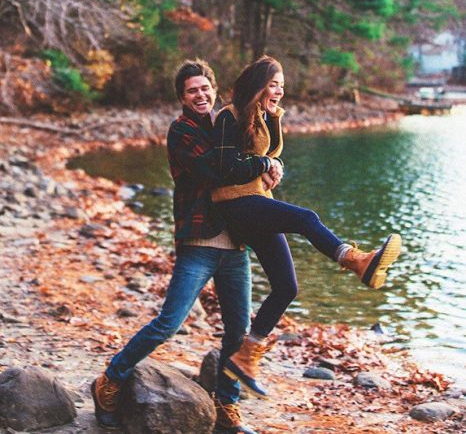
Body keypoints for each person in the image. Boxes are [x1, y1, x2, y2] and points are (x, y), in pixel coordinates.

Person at [91, 59, 273, 434]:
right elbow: (216, 172)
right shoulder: (181, 131)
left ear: (214, 88)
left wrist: (270, 165)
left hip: (236, 244)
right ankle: (110, 380)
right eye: (192, 91)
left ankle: (226, 404)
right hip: (199, 241)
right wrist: (261, 164)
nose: (200, 95)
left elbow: (250, 174)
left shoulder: (231, 125)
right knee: (168, 323)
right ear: (182, 98)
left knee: (238, 331)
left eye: (205, 88)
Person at [211, 55, 402, 398]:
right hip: (233, 205)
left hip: (257, 203)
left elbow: (259, 163)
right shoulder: (230, 116)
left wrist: (273, 168)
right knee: (306, 218)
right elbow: (225, 167)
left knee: (287, 287)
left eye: (282, 84)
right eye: (273, 83)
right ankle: (355, 260)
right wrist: (265, 163)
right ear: (256, 85)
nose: (280, 90)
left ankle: (246, 356)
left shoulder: (268, 118)